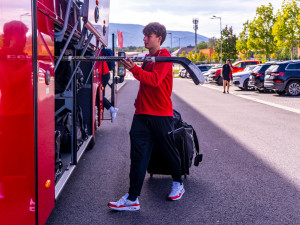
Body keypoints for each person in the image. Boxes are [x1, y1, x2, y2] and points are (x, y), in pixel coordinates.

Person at [108, 22, 184, 211]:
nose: (144, 39)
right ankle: (132, 198)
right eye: (144, 36)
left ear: (159, 38)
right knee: (138, 157)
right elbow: (144, 82)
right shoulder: (148, 58)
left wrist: (135, 69)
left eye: (148, 36)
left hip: (160, 114)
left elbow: (155, 81)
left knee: (169, 151)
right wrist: (138, 101)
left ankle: (178, 183)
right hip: (142, 114)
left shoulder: (164, 56)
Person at [97, 53, 118, 122]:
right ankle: (112, 109)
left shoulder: (98, 55)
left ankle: (112, 109)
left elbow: (98, 70)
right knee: (100, 95)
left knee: (98, 95)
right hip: (105, 74)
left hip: (104, 75)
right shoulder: (99, 53)